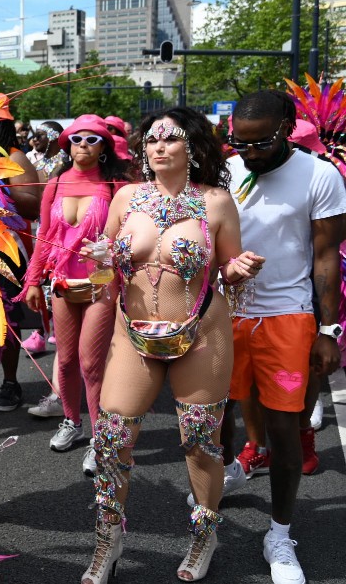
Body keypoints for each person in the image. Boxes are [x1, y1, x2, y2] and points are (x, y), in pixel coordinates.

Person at [79, 108, 262, 584]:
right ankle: (108, 538)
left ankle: (204, 535)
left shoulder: (217, 201)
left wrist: (238, 270)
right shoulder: (124, 197)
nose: (158, 147)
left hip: (201, 332)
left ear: (194, 147)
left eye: (171, 139)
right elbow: (107, 271)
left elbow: (228, 268)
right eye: (152, 140)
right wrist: (97, 265)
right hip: (132, 332)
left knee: (201, 443)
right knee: (111, 437)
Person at [217, 91, 346, 584]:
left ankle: (280, 534)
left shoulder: (320, 175)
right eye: (239, 143)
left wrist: (328, 330)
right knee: (216, 414)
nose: (248, 153)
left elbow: (326, 257)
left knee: (283, 430)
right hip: (224, 314)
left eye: (260, 143)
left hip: (287, 317)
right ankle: (228, 470)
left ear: (289, 127)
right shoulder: (227, 171)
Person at [19, 115, 128, 477]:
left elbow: (127, 237)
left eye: (92, 139)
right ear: (67, 144)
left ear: (104, 147)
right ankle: (71, 420)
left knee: (91, 364)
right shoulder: (56, 182)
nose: (83, 144)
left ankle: (101, 439)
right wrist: (33, 281)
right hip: (63, 282)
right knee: (65, 360)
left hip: (101, 284)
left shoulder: (114, 186)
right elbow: (44, 235)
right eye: (76, 138)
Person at [0, 97, 44, 415]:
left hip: (5, 247)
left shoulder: (15, 157)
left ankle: (10, 381)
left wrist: (0, 184)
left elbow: (33, 204)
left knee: (5, 318)